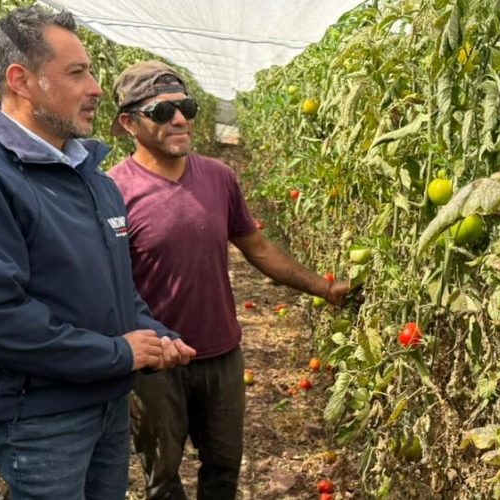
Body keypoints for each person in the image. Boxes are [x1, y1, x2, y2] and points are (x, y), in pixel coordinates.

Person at [0, 8, 196, 499]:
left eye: (90, 70)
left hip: (107, 400)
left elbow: (114, 290)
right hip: (42, 420)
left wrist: (152, 336)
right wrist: (117, 352)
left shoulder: (90, 175)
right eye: (77, 72)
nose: (95, 87)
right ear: (21, 81)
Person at [106, 61, 351, 499]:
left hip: (221, 353)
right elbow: (103, 283)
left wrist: (324, 288)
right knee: (163, 477)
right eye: (162, 112)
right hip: (154, 363)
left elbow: (256, 247)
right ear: (129, 123)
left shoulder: (219, 177)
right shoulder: (111, 192)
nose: (180, 119)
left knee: (223, 468)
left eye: (186, 107)